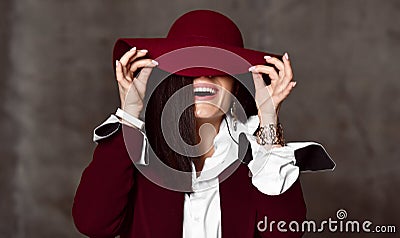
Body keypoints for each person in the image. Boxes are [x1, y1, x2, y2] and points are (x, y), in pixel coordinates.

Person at [72, 10, 334, 238]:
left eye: (220, 66)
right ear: (172, 80)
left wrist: (268, 118)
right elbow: (93, 224)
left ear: (236, 84)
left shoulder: (258, 155)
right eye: (190, 66)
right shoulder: (140, 147)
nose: (205, 74)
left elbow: (285, 233)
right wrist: (130, 116)